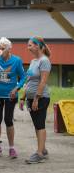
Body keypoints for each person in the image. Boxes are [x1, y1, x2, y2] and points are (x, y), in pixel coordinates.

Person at [19, 36, 51, 164]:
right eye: (28, 45)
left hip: (41, 98)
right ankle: (42, 150)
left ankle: (39, 154)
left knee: (40, 125)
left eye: (30, 45)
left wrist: (36, 99)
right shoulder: (33, 61)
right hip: (31, 98)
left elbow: (43, 81)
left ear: (38, 46)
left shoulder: (44, 61)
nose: (28, 47)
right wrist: (23, 97)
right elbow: (28, 81)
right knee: (37, 126)